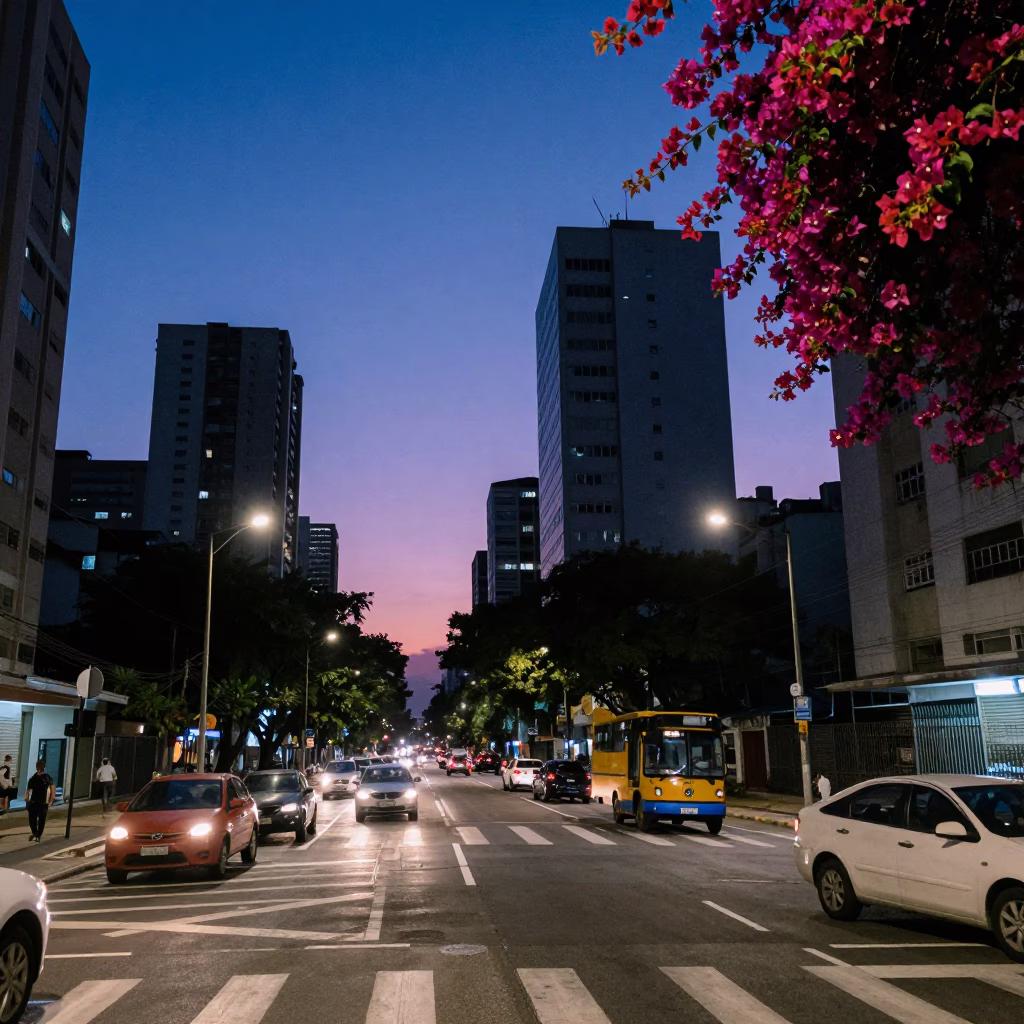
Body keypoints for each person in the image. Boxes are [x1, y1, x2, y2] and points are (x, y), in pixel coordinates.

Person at [23, 760, 54, 843]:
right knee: (41, 820)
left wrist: (26, 800)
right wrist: (51, 799)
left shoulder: (33, 778)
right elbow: (52, 789)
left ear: (37, 767)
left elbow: (28, 791)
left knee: (32, 819)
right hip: (43, 802)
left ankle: (35, 833)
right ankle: (38, 835)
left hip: (34, 802)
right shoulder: (47, 778)